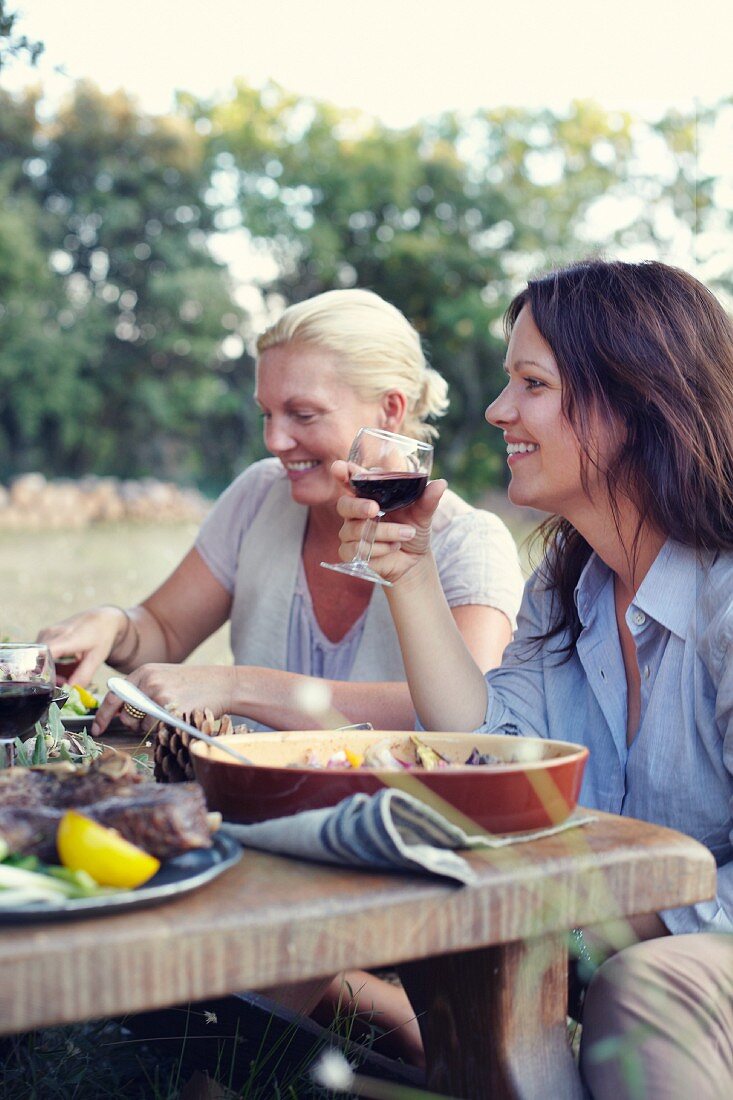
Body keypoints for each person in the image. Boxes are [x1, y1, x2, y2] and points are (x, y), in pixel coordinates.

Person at [335, 260, 733, 1095]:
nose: (496, 410)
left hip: (689, 958)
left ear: (633, 399)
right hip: (627, 939)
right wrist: (408, 576)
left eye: (531, 382)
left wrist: (607, 914)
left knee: (645, 985)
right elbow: (492, 742)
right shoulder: (568, 588)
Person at [38, 287, 523, 733]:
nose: (275, 440)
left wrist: (237, 687)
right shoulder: (259, 495)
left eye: (303, 414)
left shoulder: (469, 542)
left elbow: (471, 718)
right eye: (267, 413)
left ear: (391, 409)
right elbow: (164, 630)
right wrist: (114, 625)